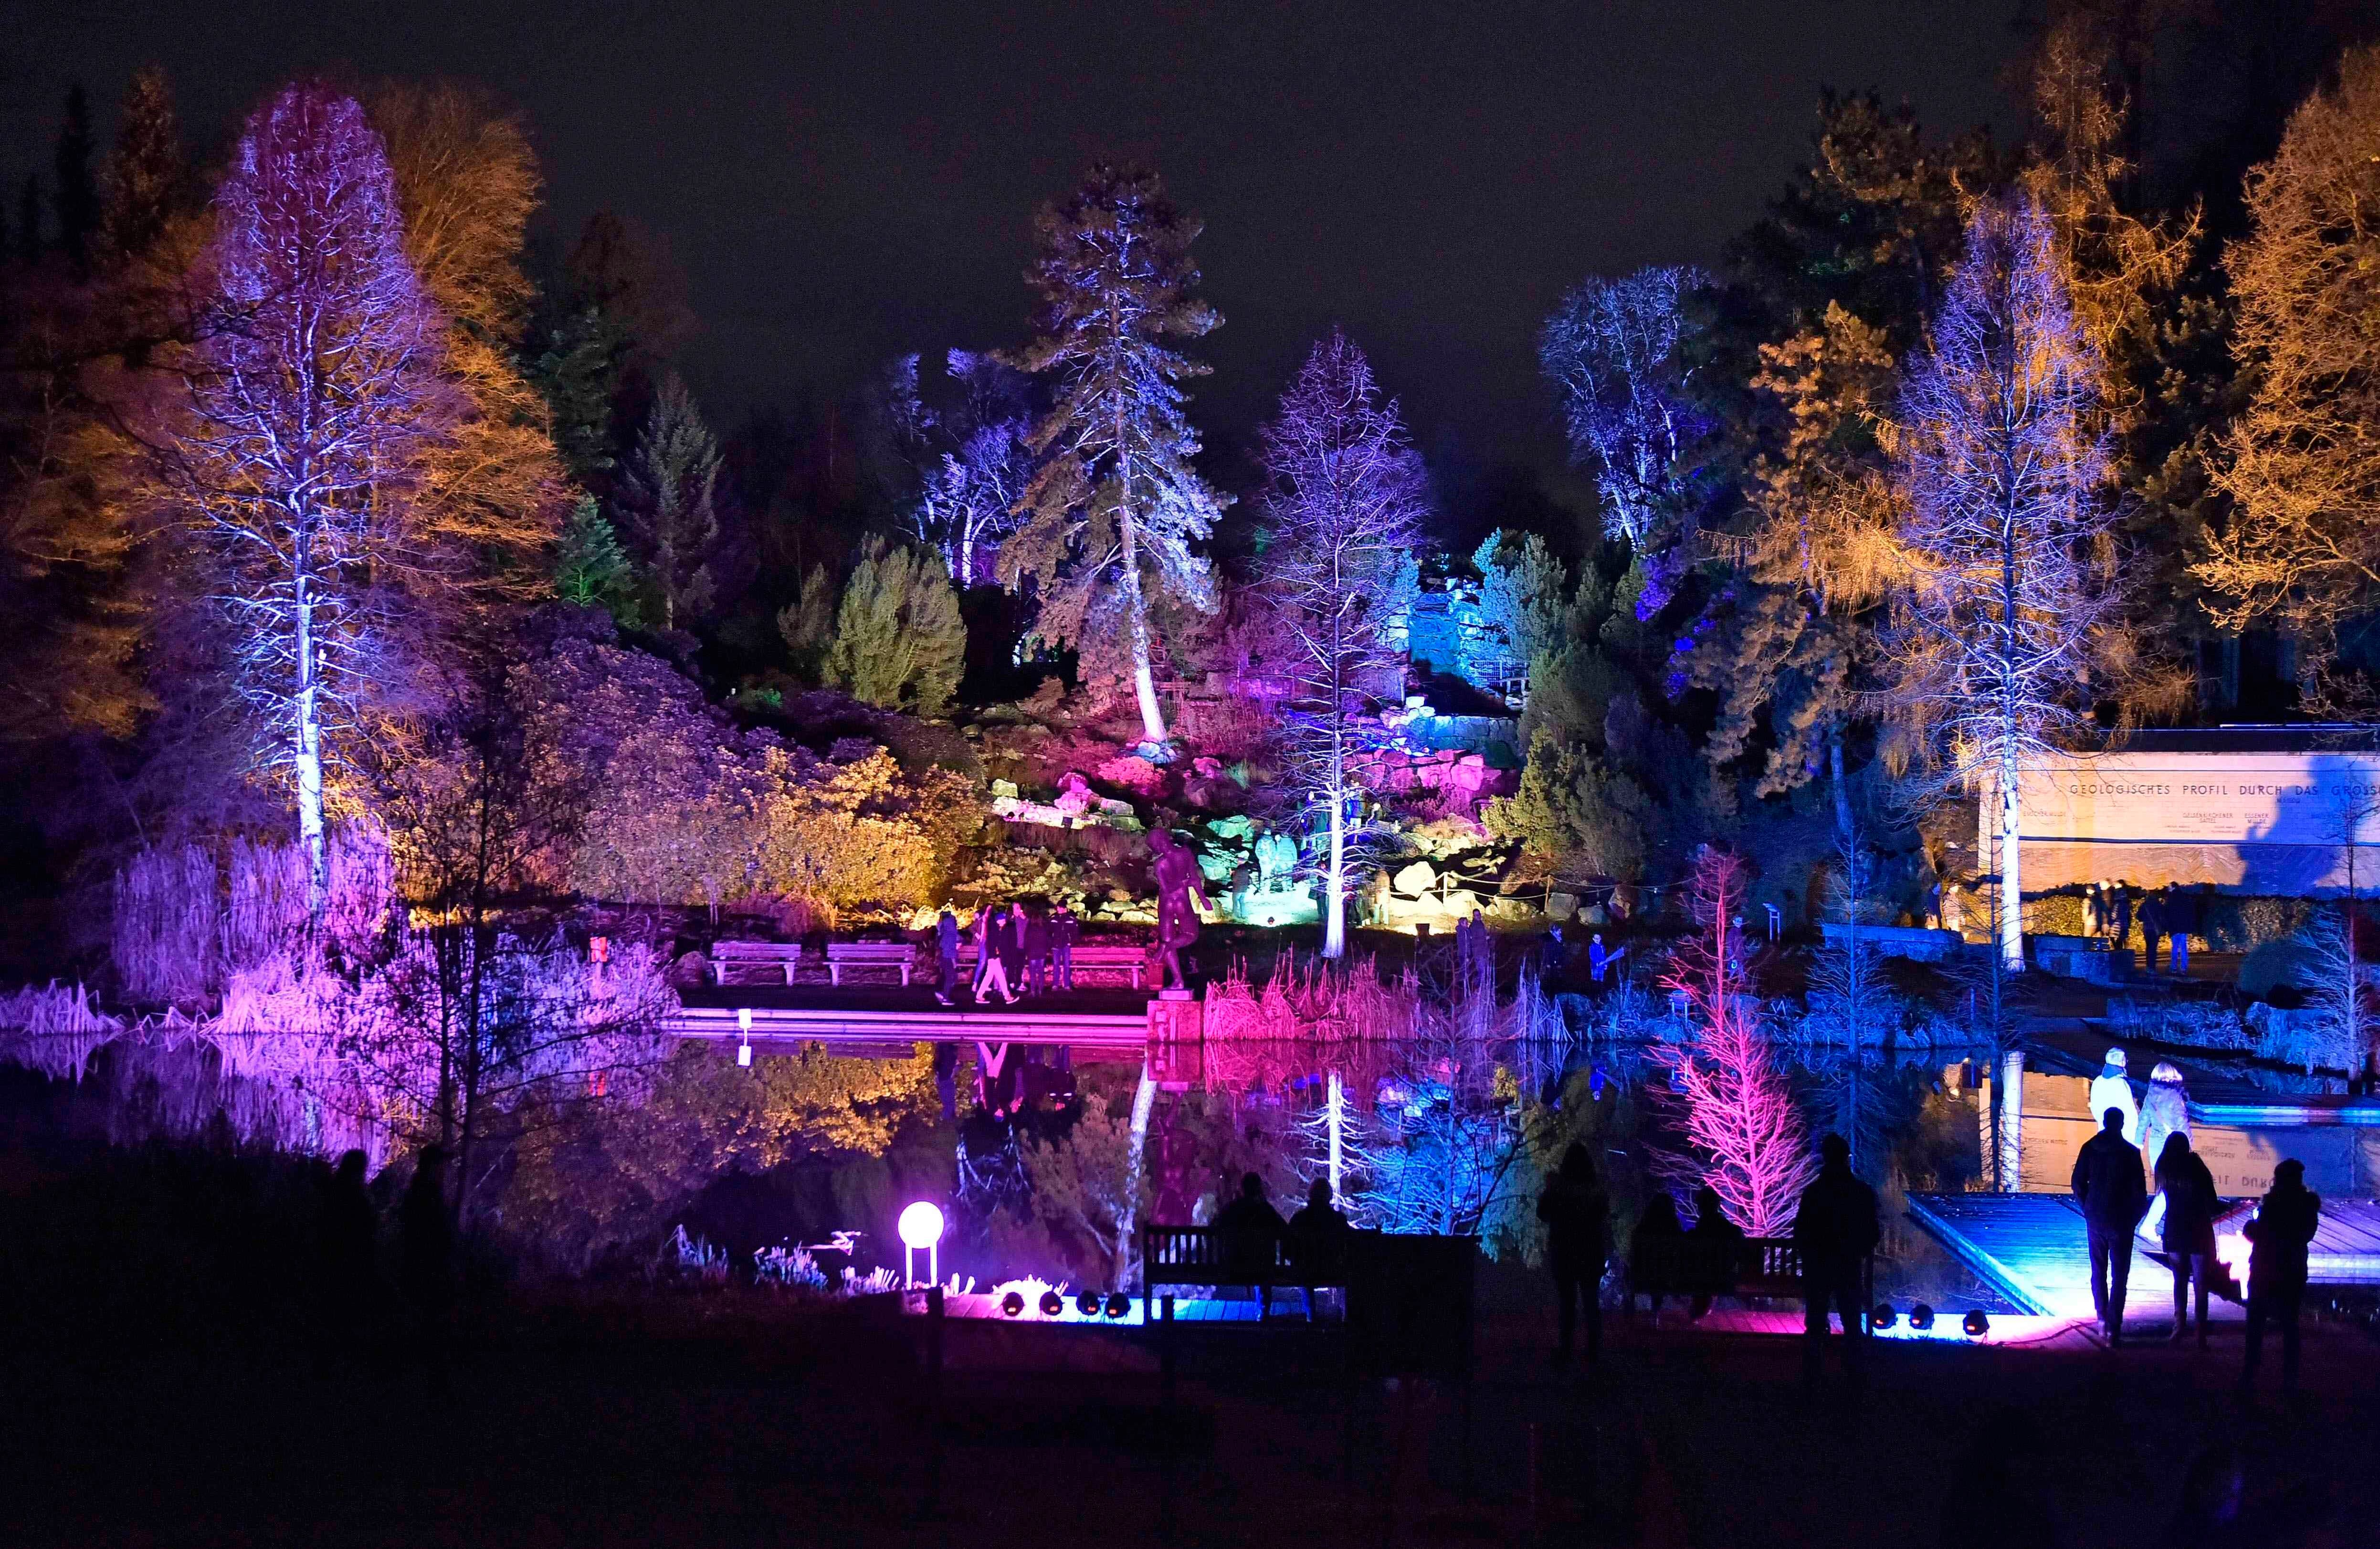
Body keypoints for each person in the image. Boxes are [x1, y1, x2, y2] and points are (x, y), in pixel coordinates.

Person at [1794, 1133, 1880, 1382]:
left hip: (1819, 1265)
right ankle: (1853, 1368)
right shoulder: (1860, 1193)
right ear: (1846, 1158)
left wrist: (1812, 1254)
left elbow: (1801, 1231)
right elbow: (1871, 1232)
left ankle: (1813, 1369)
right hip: (1848, 1264)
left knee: (1816, 1318)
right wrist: (1857, 1251)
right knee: (1851, 1319)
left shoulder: (1813, 1193)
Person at [2242, 1158, 2322, 1394]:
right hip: (2293, 1271)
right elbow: (2306, 1235)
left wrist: (2249, 1227)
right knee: (2290, 1325)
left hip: (2265, 1269)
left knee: (2256, 1325)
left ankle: (2250, 1374)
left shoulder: (2273, 1205)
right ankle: (2290, 1378)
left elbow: (2260, 1234)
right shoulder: (2307, 1206)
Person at [2071, 1106, 2149, 1342]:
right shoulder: (2130, 1153)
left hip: (2096, 1216)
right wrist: (2134, 1218)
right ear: (2122, 1124)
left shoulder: (2090, 1148)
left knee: (2098, 1270)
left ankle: (2102, 1319)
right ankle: (2114, 1327)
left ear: (2104, 1122)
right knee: (2120, 1275)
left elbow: (2077, 1183)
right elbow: (2140, 1192)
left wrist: (2087, 1207)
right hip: (2122, 1218)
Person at [1537, 1143, 1610, 1365]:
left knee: (1567, 1303)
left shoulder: (1559, 1189)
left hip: (1565, 1252)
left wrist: (1550, 1190)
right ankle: (1593, 1351)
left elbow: (1543, 1213)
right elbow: (1603, 1215)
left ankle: (1566, 1349)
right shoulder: (1595, 1190)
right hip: (1590, 1252)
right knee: (1591, 1303)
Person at [2154, 1132, 2220, 1347]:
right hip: (2199, 1228)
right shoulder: (2197, 1167)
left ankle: (2178, 1328)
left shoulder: (2164, 1168)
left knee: (2179, 1281)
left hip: (2175, 1227)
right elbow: (2212, 1199)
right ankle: (2201, 1334)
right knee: (2201, 1284)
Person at [315, 1149, 378, 1375]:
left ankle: (331, 1360)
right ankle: (341, 1363)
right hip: (351, 1262)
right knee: (347, 1312)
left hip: (337, 1261)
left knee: (336, 1311)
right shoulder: (355, 1195)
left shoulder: (334, 1192)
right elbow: (364, 1227)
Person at [398, 1145, 454, 1396]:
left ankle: (426, 1379)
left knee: (427, 1323)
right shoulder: (425, 1194)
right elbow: (428, 1233)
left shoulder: (422, 1192)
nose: (445, 1170)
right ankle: (430, 1384)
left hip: (424, 1267)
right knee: (429, 1324)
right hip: (426, 1269)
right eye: (441, 1165)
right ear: (432, 1166)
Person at [1212, 1173, 1289, 1317]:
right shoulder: (1265, 1210)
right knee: (1262, 1263)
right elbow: (1284, 1230)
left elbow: (1215, 1227)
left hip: (1234, 1265)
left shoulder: (1233, 1208)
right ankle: (1264, 1310)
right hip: (1262, 1267)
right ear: (1259, 1189)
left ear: (1242, 1189)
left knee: (1257, 1262)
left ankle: (1262, 1310)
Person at [1285, 1178, 1354, 1320]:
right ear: (1329, 1196)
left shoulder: (1299, 1219)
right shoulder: (1338, 1220)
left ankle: (1311, 1316)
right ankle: (1346, 1318)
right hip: (1333, 1270)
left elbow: (1288, 1248)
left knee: (1304, 1269)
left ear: (1311, 1194)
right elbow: (1351, 1243)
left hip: (1305, 1271)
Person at [1684, 1185, 1746, 1322]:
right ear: (1717, 1205)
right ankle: (1700, 1311)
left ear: (1700, 1207)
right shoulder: (1732, 1231)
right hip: (1724, 1276)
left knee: (1703, 1274)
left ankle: (1698, 1311)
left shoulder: (1698, 1233)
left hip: (1701, 1276)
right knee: (1708, 1274)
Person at [1630, 1191, 1685, 1323]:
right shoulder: (1674, 1228)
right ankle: (1657, 1310)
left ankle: (1641, 1313)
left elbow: (1635, 1254)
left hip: (1645, 1276)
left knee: (1654, 1270)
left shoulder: (1643, 1228)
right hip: (1669, 1277)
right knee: (1663, 1270)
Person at [2088, 1047, 2139, 1145]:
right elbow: (2130, 1113)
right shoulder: (2121, 1083)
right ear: (2122, 1062)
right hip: (2123, 1135)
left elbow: (2095, 1108)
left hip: (2103, 1131)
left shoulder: (2098, 1081)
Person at [975, 906, 1017, 1005]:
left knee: (989, 977)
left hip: (993, 957)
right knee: (1001, 976)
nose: (1004, 922)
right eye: (1002, 920)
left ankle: (980, 995)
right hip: (994, 957)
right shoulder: (994, 931)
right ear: (998, 921)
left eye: (1004, 920)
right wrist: (994, 956)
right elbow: (992, 945)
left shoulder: (995, 929)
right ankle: (1007, 996)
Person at [1022, 903, 1050, 996]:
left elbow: (1026, 942)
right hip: (1041, 954)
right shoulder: (1043, 930)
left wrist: (1027, 952)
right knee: (1041, 972)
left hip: (1032, 954)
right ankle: (1041, 990)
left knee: (1033, 973)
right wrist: (1046, 950)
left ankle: (1033, 991)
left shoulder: (1029, 930)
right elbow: (1047, 941)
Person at [935, 907, 960, 1006]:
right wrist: (954, 962)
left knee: (947, 977)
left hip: (944, 958)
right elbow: (951, 950)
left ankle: (942, 992)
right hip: (949, 958)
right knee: (951, 978)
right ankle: (945, 998)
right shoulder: (951, 934)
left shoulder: (943, 931)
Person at [1051, 903, 1077, 991]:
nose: (1057, 909)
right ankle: (1055, 985)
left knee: (1066, 965)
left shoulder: (1070, 919)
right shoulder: (1054, 918)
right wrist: (1052, 942)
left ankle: (1067, 985)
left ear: (1064, 908)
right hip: (1056, 945)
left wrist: (1070, 942)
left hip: (1065, 945)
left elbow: (1075, 932)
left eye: (1059, 908)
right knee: (1056, 965)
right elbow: (1049, 931)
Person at [2138, 890, 2166, 973]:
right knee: (2153, 948)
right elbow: (2163, 917)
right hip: (2156, 929)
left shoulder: (2144, 905)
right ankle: (2152, 967)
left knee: (2148, 947)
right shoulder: (2159, 905)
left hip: (2147, 929)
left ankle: (2148, 966)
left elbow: (2139, 917)